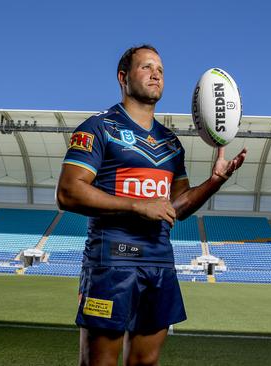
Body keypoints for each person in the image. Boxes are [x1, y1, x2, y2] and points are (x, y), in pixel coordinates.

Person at [56, 44, 247, 366]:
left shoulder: (171, 143)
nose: (155, 73)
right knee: (98, 362)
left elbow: (178, 207)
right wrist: (137, 205)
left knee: (146, 362)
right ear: (123, 77)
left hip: (159, 260)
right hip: (112, 260)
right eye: (145, 67)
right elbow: (68, 193)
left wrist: (216, 180)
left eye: (159, 69)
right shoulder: (99, 127)